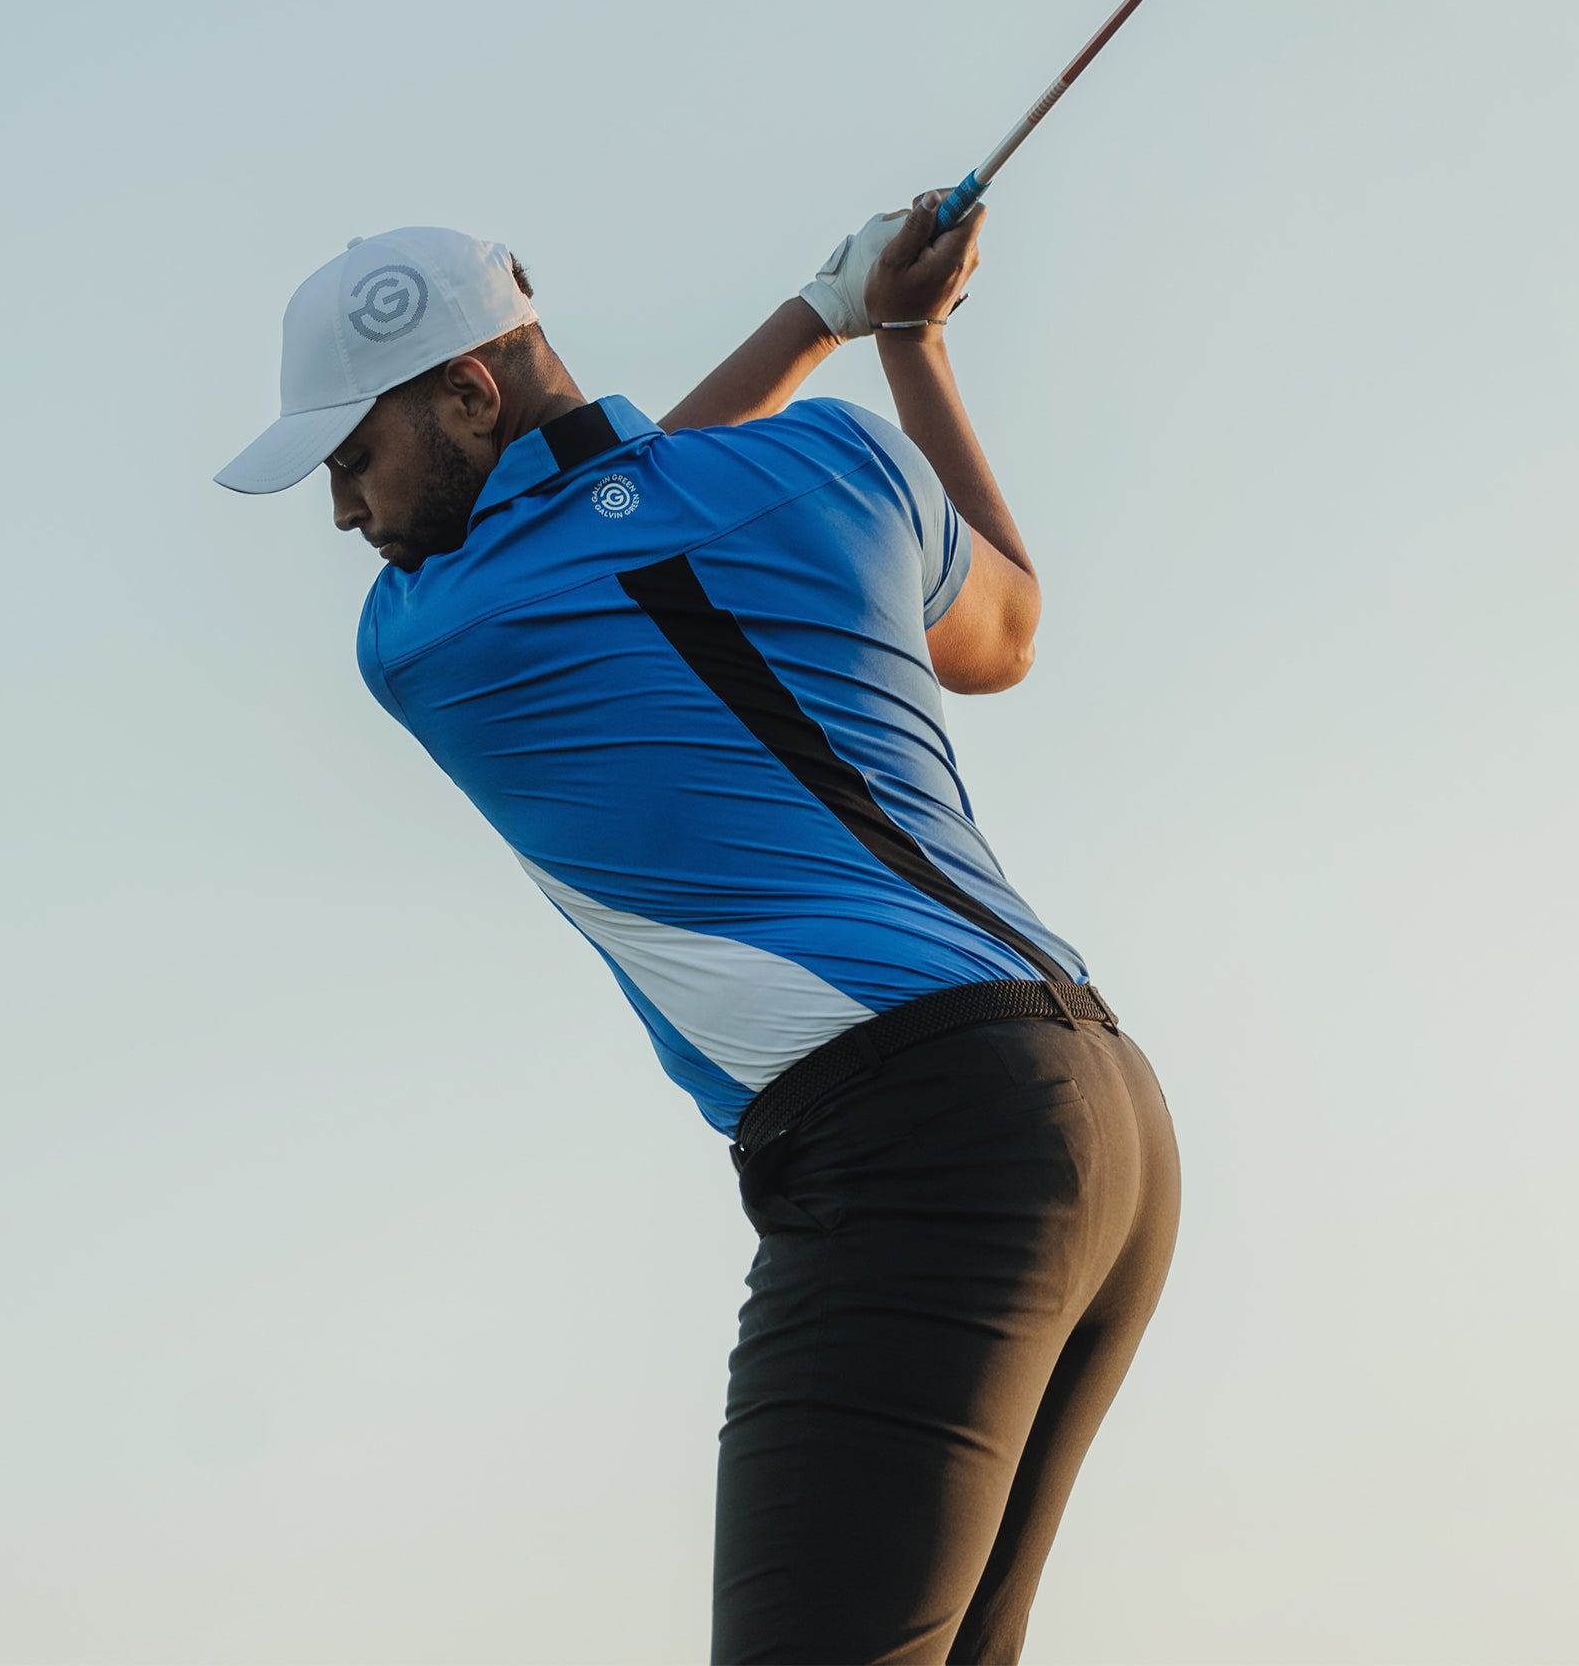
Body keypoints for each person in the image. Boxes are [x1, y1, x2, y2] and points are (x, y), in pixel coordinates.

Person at [214, 197, 1180, 1665]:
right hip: (1104, 1116)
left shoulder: (425, 636)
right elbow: (1005, 633)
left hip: (906, 1147)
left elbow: (610, 517)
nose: (346, 512)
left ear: (467, 393)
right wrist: (898, 343)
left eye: (352, 458)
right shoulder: (840, 465)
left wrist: (827, 312)